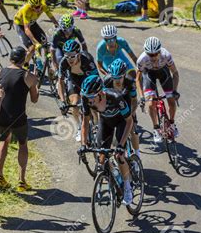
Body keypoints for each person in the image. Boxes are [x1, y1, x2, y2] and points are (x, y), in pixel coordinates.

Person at [79, 75, 134, 205]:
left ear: (100, 93)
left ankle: (127, 187)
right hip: (106, 123)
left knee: (119, 155)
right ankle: (115, 174)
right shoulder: (86, 99)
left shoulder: (115, 97)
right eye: (87, 97)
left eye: (92, 97)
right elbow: (85, 122)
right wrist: (83, 144)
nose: (89, 101)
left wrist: (121, 144)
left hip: (122, 122)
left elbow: (129, 121)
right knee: (102, 158)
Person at [0, 47, 39, 191]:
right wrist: (35, 82)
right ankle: (21, 180)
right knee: (22, 144)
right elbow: (34, 99)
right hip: (18, 117)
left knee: (3, 141)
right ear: (23, 59)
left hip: (1, 115)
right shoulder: (28, 76)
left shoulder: (0, 72)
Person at [136, 36, 180, 144]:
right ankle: (156, 128)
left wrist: (174, 90)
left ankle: (172, 124)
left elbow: (175, 73)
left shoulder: (166, 55)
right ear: (146, 53)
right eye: (150, 54)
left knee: (171, 100)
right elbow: (137, 79)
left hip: (163, 72)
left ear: (160, 51)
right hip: (149, 74)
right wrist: (142, 97)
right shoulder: (142, 59)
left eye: (156, 53)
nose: (154, 57)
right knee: (151, 104)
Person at [57, 39, 98, 142]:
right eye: (67, 56)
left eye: (72, 56)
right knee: (74, 104)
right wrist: (62, 101)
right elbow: (60, 82)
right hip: (74, 80)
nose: (69, 59)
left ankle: (97, 126)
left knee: (93, 105)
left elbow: (97, 79)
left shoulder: (87, 59)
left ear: (78, 54)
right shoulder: (63, 62)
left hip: (87, 79)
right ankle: (79, 127)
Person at [105, 59, 140, 158]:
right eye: (114, 77)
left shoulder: (130, 81)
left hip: (127, 103)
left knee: (133, 129)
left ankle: (137, 155)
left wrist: (131, 114)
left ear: (124, 74)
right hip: (113, 104)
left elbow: (134, 101)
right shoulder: (106, 81)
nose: (117, 80)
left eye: (120, 77)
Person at [14, 0, 58, 64]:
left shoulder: (43, 6)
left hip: (32, 22)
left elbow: (51, 17)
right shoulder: (26, 9)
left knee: (44, 42)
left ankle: (47, 64)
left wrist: (57, 26)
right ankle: (25, 64)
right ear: (31, 6)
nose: (38, 8)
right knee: (31, 48)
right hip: (21, 25)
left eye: (39, 6)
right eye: (35, 7)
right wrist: (36, 43)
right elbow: (26, 29)